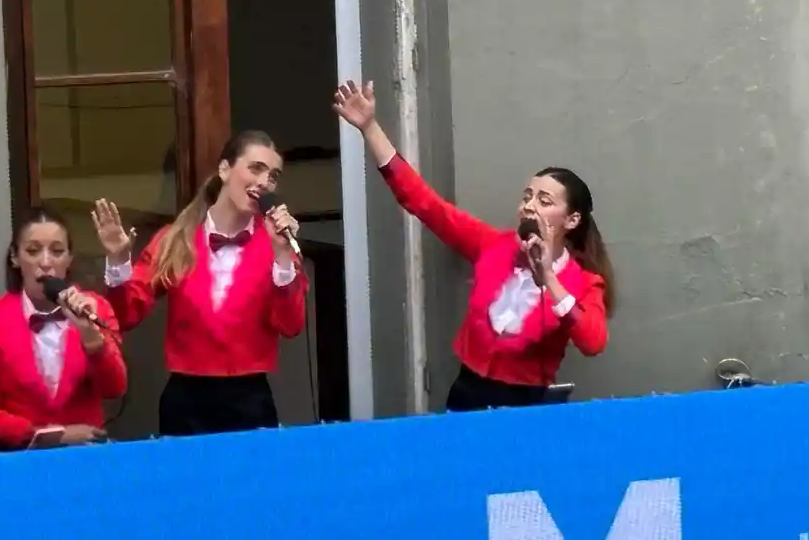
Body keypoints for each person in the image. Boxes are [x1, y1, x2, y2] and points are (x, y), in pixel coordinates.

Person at [333, 80, 613, 411]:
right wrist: (370, 127)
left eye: (544, 200)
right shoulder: (493, 245)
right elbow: (423, 202)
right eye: (527, 196)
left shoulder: (583, 282)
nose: (530, 206)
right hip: (467, 394)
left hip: (526, 406)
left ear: (572, 220)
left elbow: (593, 342)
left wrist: (549, 280)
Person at [92, 130, 307, 436]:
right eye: (255, 168)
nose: (264, 182)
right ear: (224, 169)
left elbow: (291, 325)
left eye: (273, 176)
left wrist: (283, 257)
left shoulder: (276, 243)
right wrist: (117, 261)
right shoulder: (176, 237)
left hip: (250, 398)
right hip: (186, 399)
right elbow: (125, 314)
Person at [0, 206, 127, 451]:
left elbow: (116, 389)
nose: (46, 262)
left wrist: (93, 340)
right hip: (17, 457)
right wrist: (51, 435)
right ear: (15, 258)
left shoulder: (96, 308)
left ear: (69, 259)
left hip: (85, 454)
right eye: (33, 251)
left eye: (57, 251)